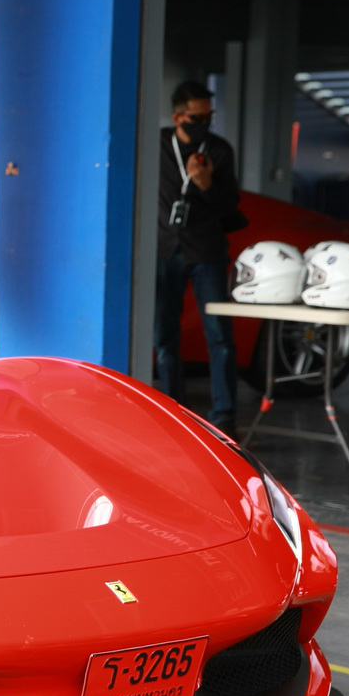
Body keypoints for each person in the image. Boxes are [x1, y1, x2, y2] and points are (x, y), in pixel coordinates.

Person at [155, 79, 243, 436]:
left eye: (209, 116)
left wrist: (206, 183)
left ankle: (224, 418)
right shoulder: (158, 144)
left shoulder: (219, 150)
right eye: (196, 116)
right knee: (164, 336)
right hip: (164, 248)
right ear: (178, 116)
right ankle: (173, 412)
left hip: (206, 250)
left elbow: (230, 205)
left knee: (219, 336)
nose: (203, 122)